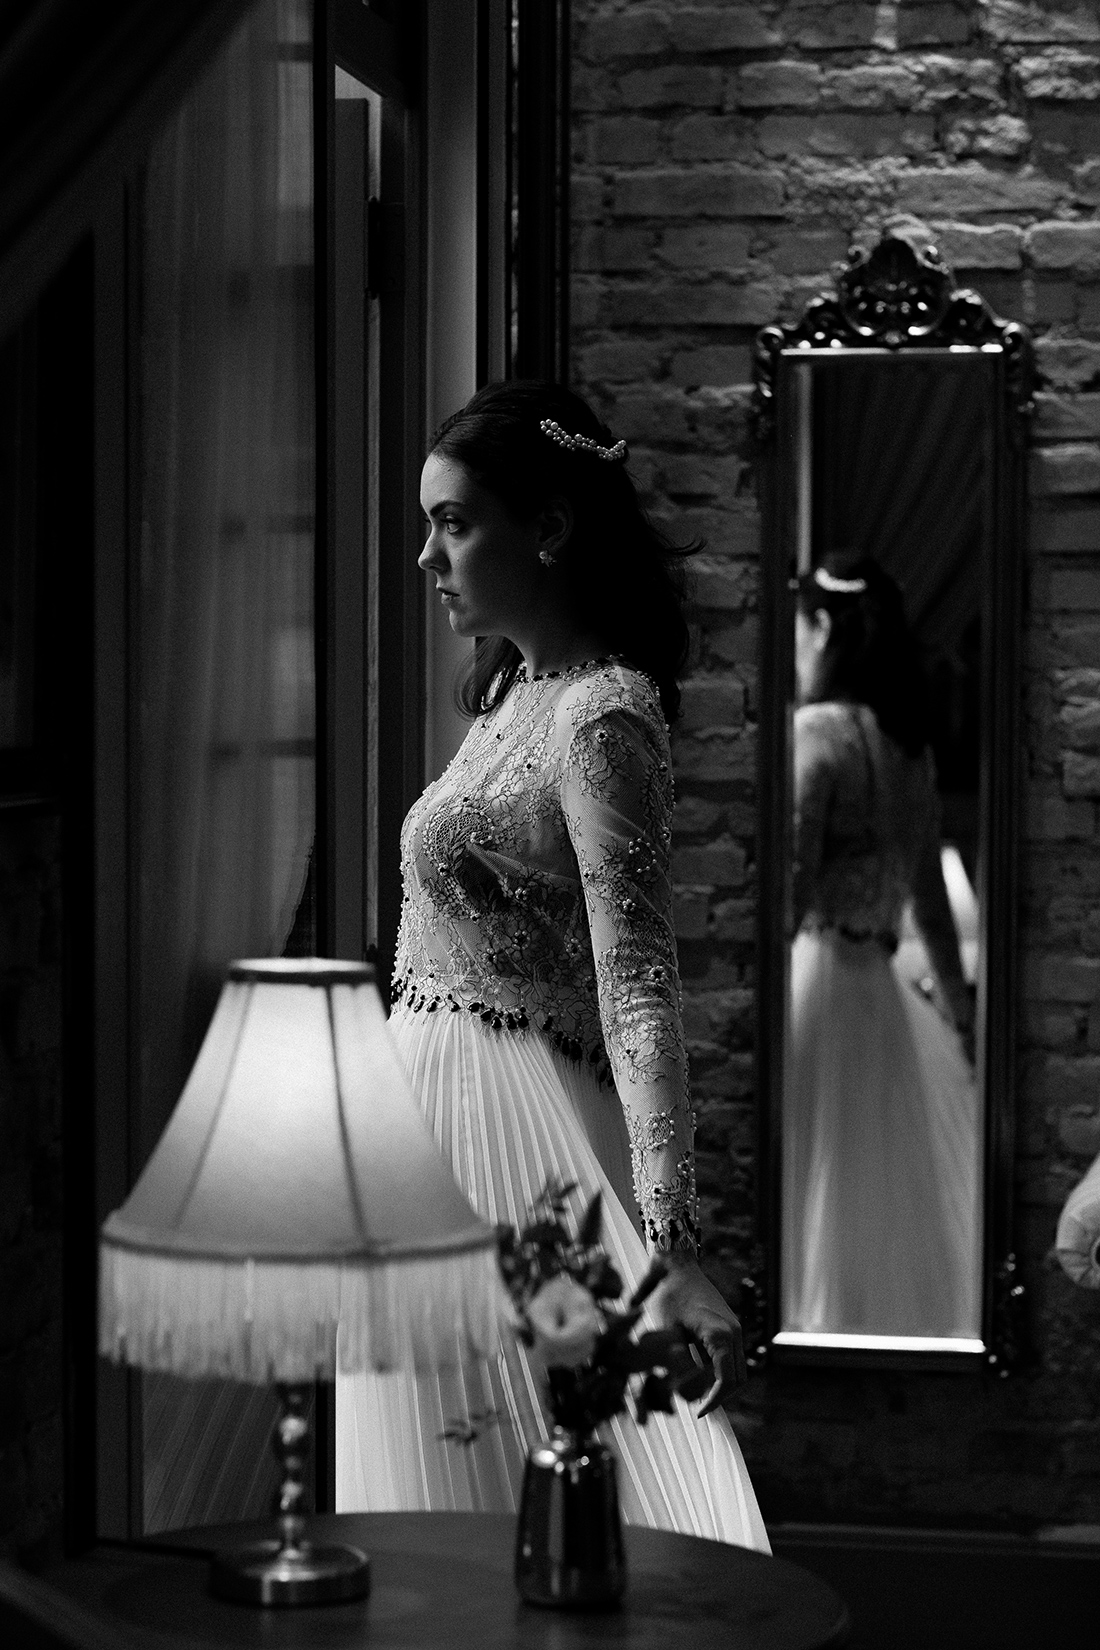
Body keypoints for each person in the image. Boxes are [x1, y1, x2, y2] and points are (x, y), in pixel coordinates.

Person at [336, 380, 769, 1550]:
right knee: (430, 1495)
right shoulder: (516, 694)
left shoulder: (601, 715)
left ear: (548, 528)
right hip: (432, 1140)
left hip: (504, 1146)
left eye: (452, 524)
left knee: (503, 1490)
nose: (426, 557)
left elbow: (639, 988)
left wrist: (671, 1247)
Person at [783, 555, 981, 1339]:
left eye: (799, 631)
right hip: (880, 993)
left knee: (818, 1175)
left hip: (818, 980)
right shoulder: (910, 750)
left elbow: (791, 889)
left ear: (822, 628)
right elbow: (929, 901)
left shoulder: (818, 734)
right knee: (873, 1189)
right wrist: (960, 1012)